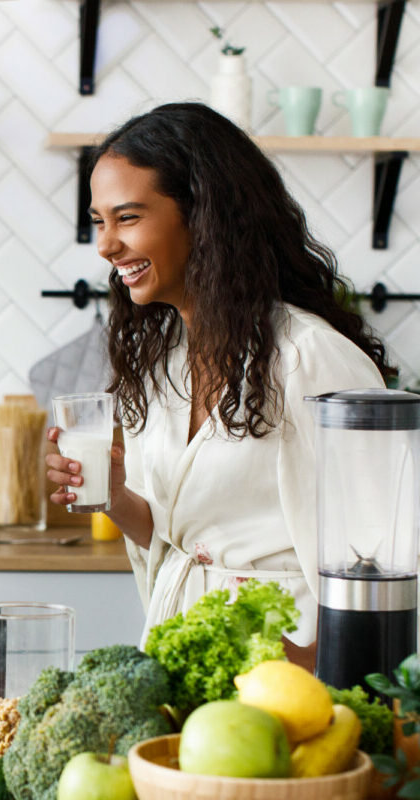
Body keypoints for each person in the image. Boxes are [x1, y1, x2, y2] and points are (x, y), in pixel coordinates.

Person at [45, 102, 395, 670]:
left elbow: (381, 553)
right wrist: (114, 496)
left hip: (289, 675)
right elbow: (176, 535)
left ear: (203, 217)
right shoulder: (163, 363)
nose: (106, 245)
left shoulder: (311, 357)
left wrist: (306, 667)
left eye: (128, 218)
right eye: (100, 221)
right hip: (183, 655)